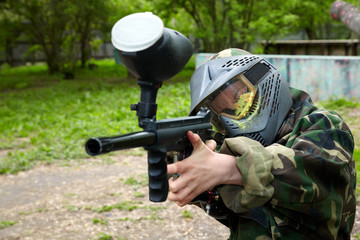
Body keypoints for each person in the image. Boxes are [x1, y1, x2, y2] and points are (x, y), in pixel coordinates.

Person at [166, 48, 356, 240]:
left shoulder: (325, 126)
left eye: (239, 100)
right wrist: (202, 186)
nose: (231, 117)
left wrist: (230, 169)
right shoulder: (237, 145)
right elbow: (239, 213)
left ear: (264, 81)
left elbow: (308, 171)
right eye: (222, 112)